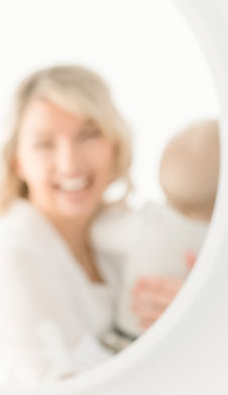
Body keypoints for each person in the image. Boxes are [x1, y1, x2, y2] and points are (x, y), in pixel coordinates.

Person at [0, 65, 134, 386]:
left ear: (114, 144)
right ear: (18, 162)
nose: (70, 163)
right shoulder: (12, 253)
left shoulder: (119, 235)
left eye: (88, 135)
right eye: (44, 144)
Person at [94, 118, 219, 340]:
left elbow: (97, 233)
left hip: (129, 333)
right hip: (180, 341)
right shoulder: (216, 238)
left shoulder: (146, 223)